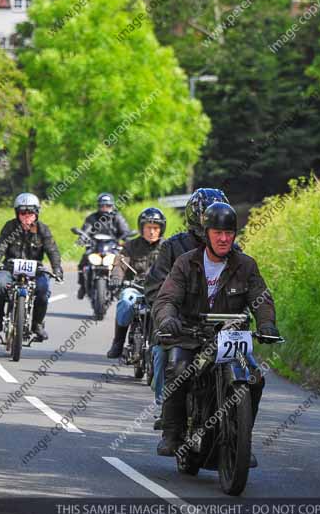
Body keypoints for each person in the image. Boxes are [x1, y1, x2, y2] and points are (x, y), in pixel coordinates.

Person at [153, 201, 280, 458]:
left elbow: (261, 298)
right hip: (190, 334)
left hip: (229, 335)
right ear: (206, 233)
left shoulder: (246, 265)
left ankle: (242, 438)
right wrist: (168, 319)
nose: (223, 239)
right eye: (217, 233)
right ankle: (172, 432)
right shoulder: (185, 263)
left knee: (255, 377)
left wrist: (267, 324)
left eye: (229, 233)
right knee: (178, 369)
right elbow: (166, 299)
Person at [144, 188, 230, 423]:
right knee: (168, 361)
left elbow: (250, 289)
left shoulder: (232, 251)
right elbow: (155, 288)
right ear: (197, 218)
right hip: (181, 326)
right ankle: (171, 426)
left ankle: (240, 434)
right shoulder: (173, 247)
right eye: (209, 218)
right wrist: (169, 317)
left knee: (252, 373)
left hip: (220, 328)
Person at [0, 193, 63, 341]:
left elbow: (52, 250)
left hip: (35, 269)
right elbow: (0, 246)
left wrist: (57, 268)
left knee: (44, 289)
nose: (27, 216)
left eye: (30, 213)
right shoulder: (10, 227)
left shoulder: (43, 229)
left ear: (36, 213)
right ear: (17, 213)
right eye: (22, 213)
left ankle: (37, 324)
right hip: (10, 267)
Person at [106, 207, 166, 359]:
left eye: (155, 228)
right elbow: (120, 263)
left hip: (160, 291)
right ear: (141, 228)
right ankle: (118, 343)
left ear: (161, 229)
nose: (152, 232)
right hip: (135, 288)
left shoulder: (169, 247)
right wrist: (116, 277)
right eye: (148, 228)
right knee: (125, 301)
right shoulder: (130, 246)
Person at [77, 193, 130, 299]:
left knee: (122, 262)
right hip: (95, 247)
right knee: (83, 261)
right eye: (102, 205)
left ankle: (120, 286)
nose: (105, 208)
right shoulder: (92, 218)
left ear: (112, 206)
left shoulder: (117, 217)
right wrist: (82, 238)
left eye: (108, 206)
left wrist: (125, 239)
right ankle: (82, 286)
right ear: (98, 206)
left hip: (112, 248)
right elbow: (86, 230)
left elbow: (125, 231)